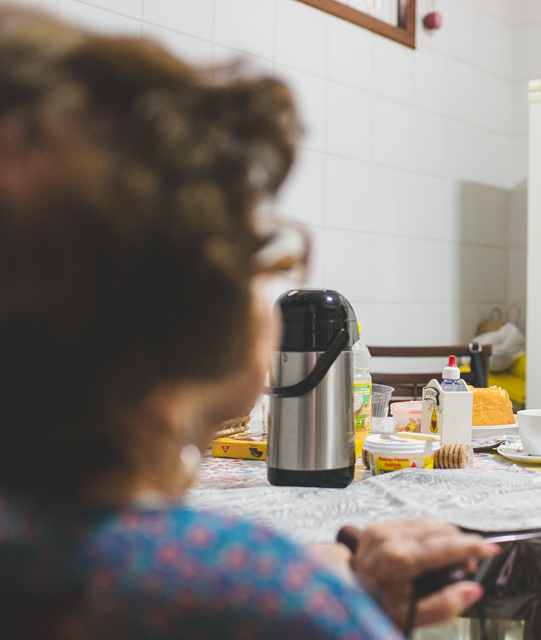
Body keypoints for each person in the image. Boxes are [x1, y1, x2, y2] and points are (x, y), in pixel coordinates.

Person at [0, 6, 496, 638]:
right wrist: (328, 598)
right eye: (258, 253)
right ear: (180, 316)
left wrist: (341, 576)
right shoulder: (264, 594)